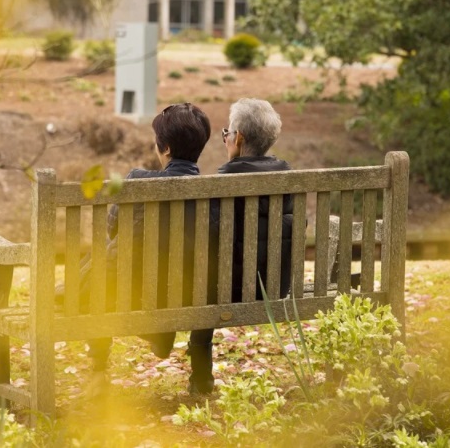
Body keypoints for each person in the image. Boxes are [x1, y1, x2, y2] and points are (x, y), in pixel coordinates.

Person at [84, 102, 212, 374]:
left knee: (101, 265)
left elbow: (112, 230)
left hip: (132, 293)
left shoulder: (138, 181)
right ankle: (169, 342)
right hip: (192, 295)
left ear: (165, 148)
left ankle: (98, 368)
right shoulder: (215, 192)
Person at [192, 98, 295, 394]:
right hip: (276, 286)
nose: (225, 138)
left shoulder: (219, 183)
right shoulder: (289, 177)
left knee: (203, 289)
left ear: (238, 138)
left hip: (227, 291)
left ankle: (201, 381)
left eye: (227, 133)